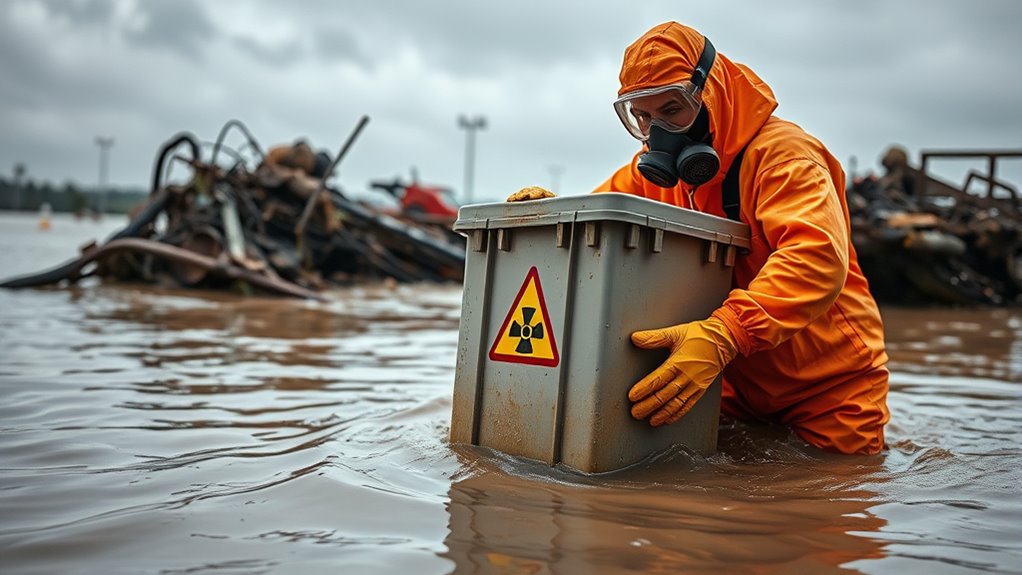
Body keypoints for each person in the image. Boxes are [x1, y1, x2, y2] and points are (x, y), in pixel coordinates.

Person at [509, 21, 890, 455]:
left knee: (825, 506)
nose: (657, 134)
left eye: (672, 111)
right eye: (643, 116)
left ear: (709, 94)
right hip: (728, 384)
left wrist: (724, 334)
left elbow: (816, 258)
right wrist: (551, 213)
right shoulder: (655, 174)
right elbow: (601, 221)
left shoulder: (786, 156)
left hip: (829, 390)